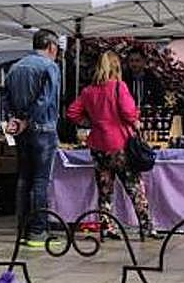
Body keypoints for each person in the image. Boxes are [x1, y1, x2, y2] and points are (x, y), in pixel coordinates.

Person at [65, 51, 157, 240]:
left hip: (98, 146)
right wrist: (135, 120)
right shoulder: (118, 87)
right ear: (116, 67)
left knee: (105, 190)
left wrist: (90, 122)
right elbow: (129, 112)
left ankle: (107, 227)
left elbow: (72, 113)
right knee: (134, 188)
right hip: (120, 145)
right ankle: (147, 227)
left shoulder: (88, 91)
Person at [3, 29, 61, 248]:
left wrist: (14, 119)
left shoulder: (15, 67)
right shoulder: (50, 67)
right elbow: (46, 99)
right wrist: (27, 119)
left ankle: (23, 230)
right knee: (40, 181)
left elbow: (6, 97)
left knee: (23, 179)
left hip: (21, 131)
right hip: (42, 129)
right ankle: (38, 231)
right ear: (52, 47)